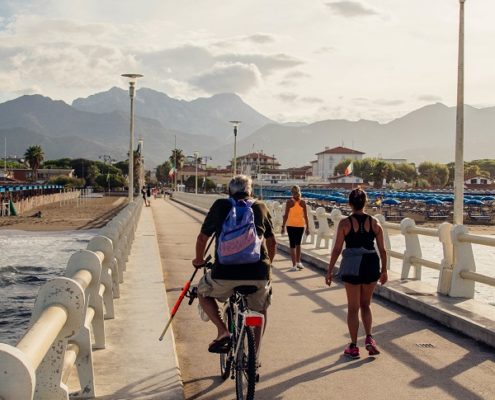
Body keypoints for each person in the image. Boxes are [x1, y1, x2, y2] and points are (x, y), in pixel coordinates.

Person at [192, 175, 276, 354]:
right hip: (258, 274)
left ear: (229, 192)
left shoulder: (220, 206)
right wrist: (269, 266)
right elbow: (272, 242)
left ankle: (222, 331)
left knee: (202, 291)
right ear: (250, 191)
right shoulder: (260, 207)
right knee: (261, 308)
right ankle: (255, 354)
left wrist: (199, 260)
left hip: (224, 274)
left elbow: (202, 238)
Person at [325, 188, 387, 359]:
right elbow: (382, 250)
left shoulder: (345, 223)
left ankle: (353, 346)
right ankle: (369, 338)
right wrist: (384, 270)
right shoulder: (375, 223)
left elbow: (337, 249)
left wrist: (330, 271)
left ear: (350, 203)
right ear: (365, 202)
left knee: (353, 308)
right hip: (371, 263)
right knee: (366, 305)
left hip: (352, 264)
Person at [281, 185, 310, 271]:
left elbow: (286, 215)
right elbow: (306, 216)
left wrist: (283, 226)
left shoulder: (289, 202)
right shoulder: (303, 202)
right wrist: (307, 227)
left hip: (290, 225)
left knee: (292, 245)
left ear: (292, 193)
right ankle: (298, 262)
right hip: (301, 225)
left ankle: (294, 265)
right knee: (298, 244)